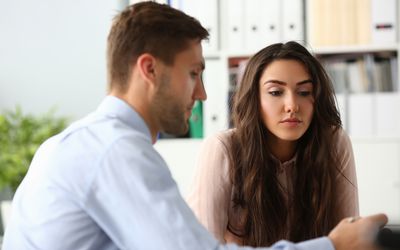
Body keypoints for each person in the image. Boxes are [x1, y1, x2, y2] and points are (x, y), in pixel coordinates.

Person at [2, 2, 386, 250]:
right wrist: (332, 246)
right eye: (193, 74)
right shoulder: (114, 151)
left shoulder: (87, 142)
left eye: (305, 93)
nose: (202, 94)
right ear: (149, 70)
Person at [187, 41, 360, 247]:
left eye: (304, 92)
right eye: (276, 92)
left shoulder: (334, 142)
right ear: (254, 99)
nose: (292, 106)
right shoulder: (222, 149)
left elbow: (350, 240)